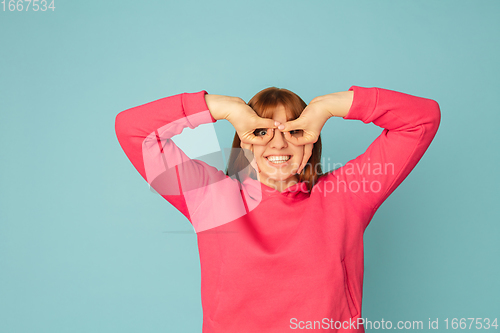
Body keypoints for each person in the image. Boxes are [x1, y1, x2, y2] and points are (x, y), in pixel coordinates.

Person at [114, 85, 441, 332]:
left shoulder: (345, 195)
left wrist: (327, 107)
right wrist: (225, 109)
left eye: (294, 131)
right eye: (261, 132)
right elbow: (134, 130)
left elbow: (420, 120)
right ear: (244, 140)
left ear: (311, 139)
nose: (279, 144)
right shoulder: (211, 197)